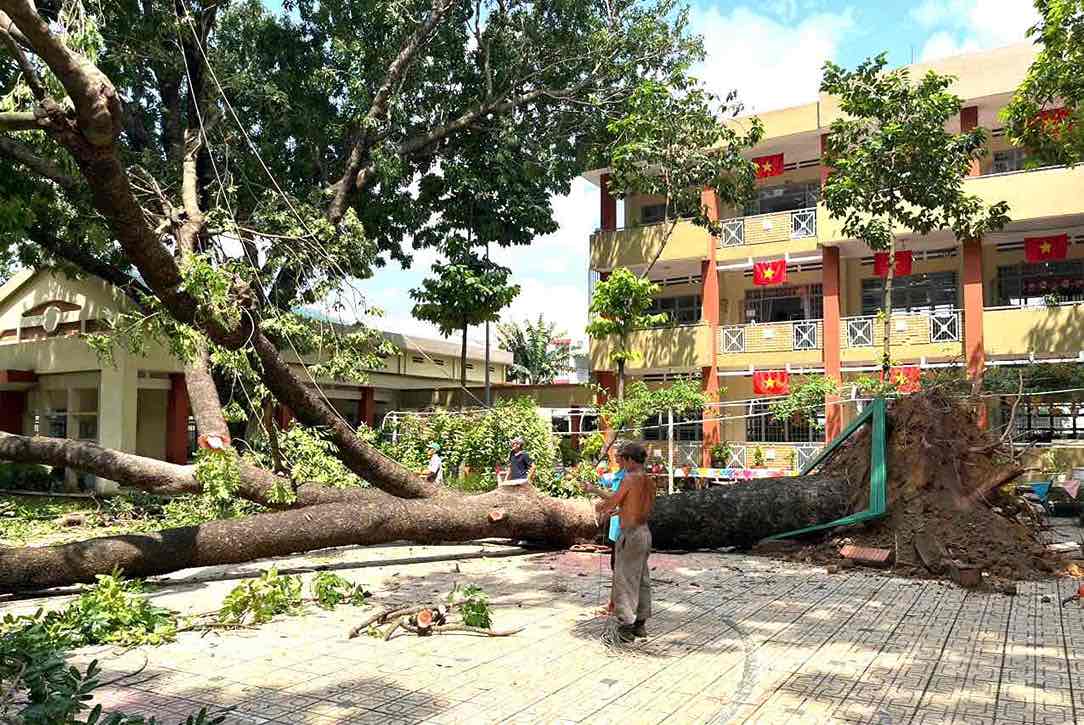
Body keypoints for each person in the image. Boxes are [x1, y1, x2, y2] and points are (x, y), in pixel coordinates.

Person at [595, 440, 654, 642]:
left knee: (625, 579)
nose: (621, 463)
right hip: (644, 532)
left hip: (631, 534)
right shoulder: (648, 480)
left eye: (623, 459)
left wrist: (598, 501)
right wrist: (619, 511)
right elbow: (636, 507)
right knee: (641, 579)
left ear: (630, 459)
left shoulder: (631, 477)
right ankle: (641, 624)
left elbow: (613, 500)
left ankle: (626, 626)